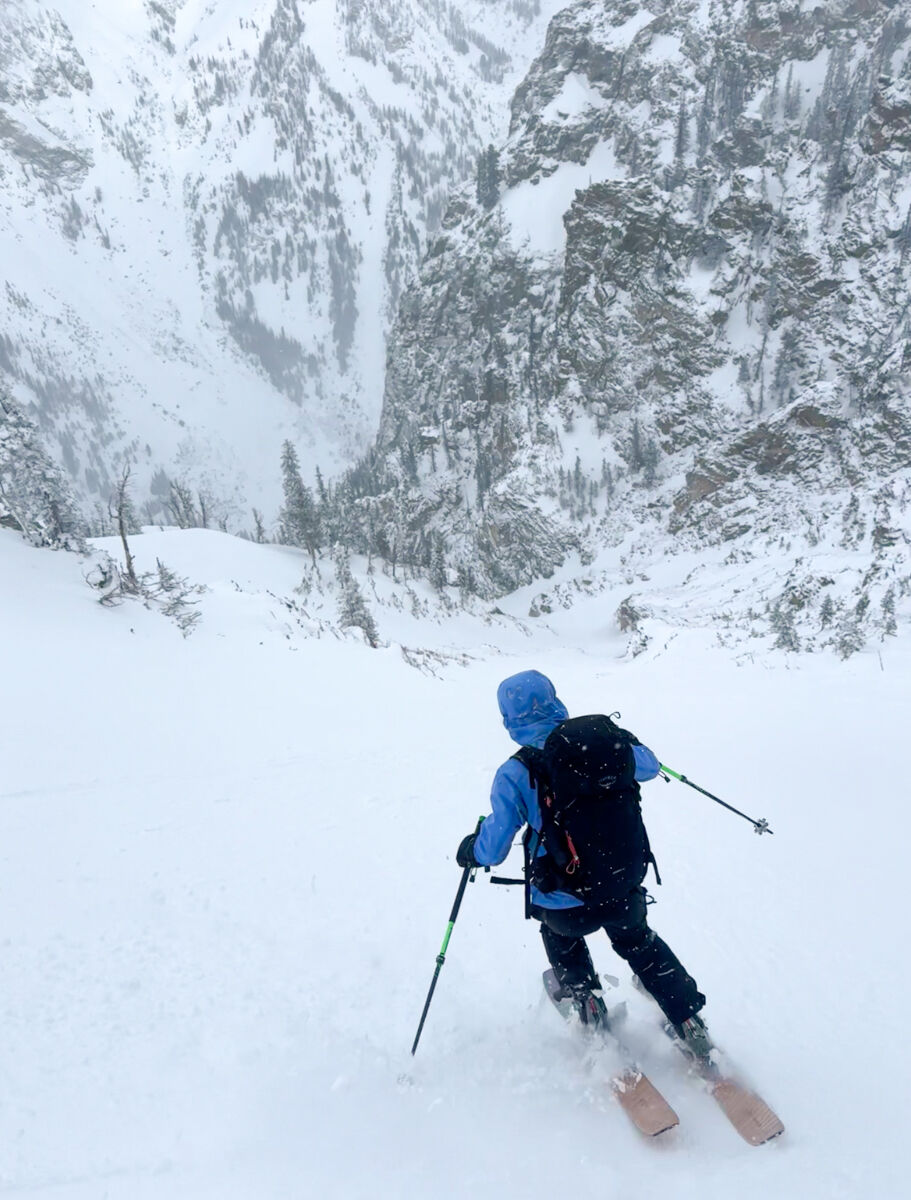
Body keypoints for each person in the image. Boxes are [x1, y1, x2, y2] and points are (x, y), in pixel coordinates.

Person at [456, 669, 710, 1056]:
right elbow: (651, 766)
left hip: (564, 900)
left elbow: (494, 848)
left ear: (508, 720)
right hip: (622, 888)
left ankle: (586, 1004)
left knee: (561, 938)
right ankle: (688, 1020)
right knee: (639, 942)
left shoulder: (515, 772)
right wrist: (624, 742)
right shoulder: (604, 746)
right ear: (555, 700)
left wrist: (472, 850)